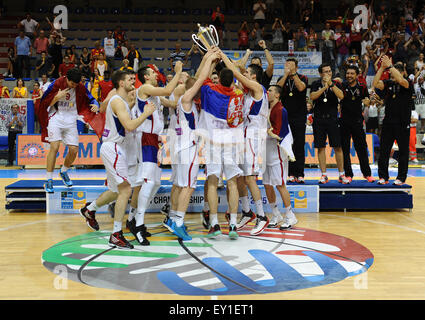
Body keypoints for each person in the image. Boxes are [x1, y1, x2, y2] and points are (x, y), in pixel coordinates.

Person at [79, 69, 155, 248]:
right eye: (130, 79)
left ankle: (89, 209)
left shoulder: (119, 100)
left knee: (115, 191)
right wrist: (146, 113)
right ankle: (116, 233)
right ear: (121, 83)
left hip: (115, 146)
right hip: (113, 147)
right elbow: (128, 125)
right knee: (126, 190)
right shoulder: (117, 101)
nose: (132, 82)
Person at [128, 61, 183, 246]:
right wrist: (177, 72)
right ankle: (138, 223)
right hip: (144, 138)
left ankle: (133, 218)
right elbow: (168, 91)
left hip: (153, 139)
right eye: (152, 72)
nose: (155, 74)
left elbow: (173, 102)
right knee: (148, 181)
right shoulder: (145, 88)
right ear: (145, 76)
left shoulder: (155, 94)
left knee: (156, 182)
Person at [166, 49, 220, 240]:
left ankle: (174, 219)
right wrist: (210, 59)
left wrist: (209, 58)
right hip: (188, 148)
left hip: (182, 148)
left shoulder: (184, 100)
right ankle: (178, 222)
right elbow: (200, 79)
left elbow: (198, 78)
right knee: (188, 187)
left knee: (182, 186)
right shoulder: (186, 98)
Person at [219, 48, 270, 236]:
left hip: (254, 139)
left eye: (247, 73)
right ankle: (247, 212)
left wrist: (223, 57)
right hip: (244, 136)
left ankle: (262, 216)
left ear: (254, 76)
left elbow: (235, 71)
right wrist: (226, 57)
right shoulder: (247, 92)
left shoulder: (258, 89)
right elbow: (237, 69)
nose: (244, 75)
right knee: (240, 177)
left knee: (249, 178)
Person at [38, 68, 104, 193]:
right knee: (55, 147)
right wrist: (57, 97)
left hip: (71, 120)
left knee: (74, 150)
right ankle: (49, 180)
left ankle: (63, 172)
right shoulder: (56, 84)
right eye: (72, 83)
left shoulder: (80, 86)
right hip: (56, 118)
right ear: (67, 79)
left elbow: (91, 98)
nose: (74, 86)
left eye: (76, 84)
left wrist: (96, 104)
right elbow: (45, 103)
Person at [372, 56, 413, 185]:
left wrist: (390, 66)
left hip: (402, 123)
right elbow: (375, 83)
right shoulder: (388, 84)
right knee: (384, 150)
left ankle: (401, 178)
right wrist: (382, 68)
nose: (392, 76)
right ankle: (383, 177)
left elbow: (401, 80)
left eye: (395, 73)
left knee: (403, 152)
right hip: (388, 122)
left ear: (401, 72)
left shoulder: (408, 83)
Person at [264, 85, 298, 229]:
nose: (267, 92)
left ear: (277, 95)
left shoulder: (281, 110)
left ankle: (290, 215)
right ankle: (276, 213)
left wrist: (268, 132)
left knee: (280, 184)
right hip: (266, 151)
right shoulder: (266, 109)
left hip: (277, 152)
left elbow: (280, 133)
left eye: (270, 91)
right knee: (266, 184)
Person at [310, 63, 347, 184]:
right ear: (320, 74)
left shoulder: (337, 84)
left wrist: (331, 85)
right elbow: (313, 96)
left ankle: (341, 174)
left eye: (329, 71)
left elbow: (341, 96)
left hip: (332, 119)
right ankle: (324, 174)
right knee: (320, 147)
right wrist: (324, 88)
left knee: (337, 146)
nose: (328, 73)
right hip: (319, 119)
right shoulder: (316, 84)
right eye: (325, 71)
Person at [339, 65, 374, 183]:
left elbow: (368, 101)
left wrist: (368, 101)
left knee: (362, 148)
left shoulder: (362, 87)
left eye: (352, 73)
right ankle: (348, 174)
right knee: (345, 149)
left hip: (358, 122)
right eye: (348, 73)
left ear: (357, 75)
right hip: (344, 122)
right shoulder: (342, 86)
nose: (349, 75)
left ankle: (367, 173)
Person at [277, 58, 308, 183]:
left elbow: (301, 88)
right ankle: (289, 173)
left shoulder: (303, 77)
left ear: (296, 67)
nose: (288, 67)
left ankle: (299, 173)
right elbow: (277, 91)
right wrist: (285, 74)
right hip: (285, 117)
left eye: (291, 65)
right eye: (287, 65)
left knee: (299, 145)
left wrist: (293, 74)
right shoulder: (282, 78)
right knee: (286, 145)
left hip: (299, 117)